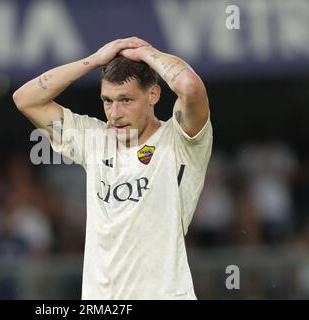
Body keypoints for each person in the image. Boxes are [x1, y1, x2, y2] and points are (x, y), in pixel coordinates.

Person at [13, 37, 213, 299]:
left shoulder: (180, 141)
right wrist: (94, 60)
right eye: (107, 101)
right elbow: (26, 99)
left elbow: (189, 86)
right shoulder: (94, 140)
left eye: (126, 100)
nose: (115, 112)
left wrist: (148, 53)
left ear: (153, 94)